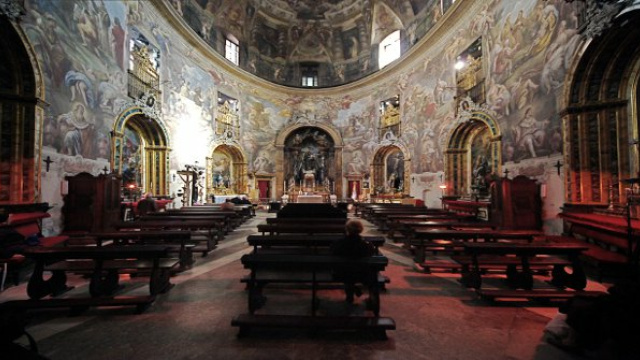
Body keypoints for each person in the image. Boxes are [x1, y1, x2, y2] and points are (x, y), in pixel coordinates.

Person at [331, 220, 375, 303]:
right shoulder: (366, 244)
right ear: (360, 229)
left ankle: (351, 290)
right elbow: (371, 255)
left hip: (340, 273)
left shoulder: (339, 243)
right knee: (354, 269)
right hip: (362, 273)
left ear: (347, 229)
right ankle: (353, 288)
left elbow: (332, 253)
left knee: (348, 270)